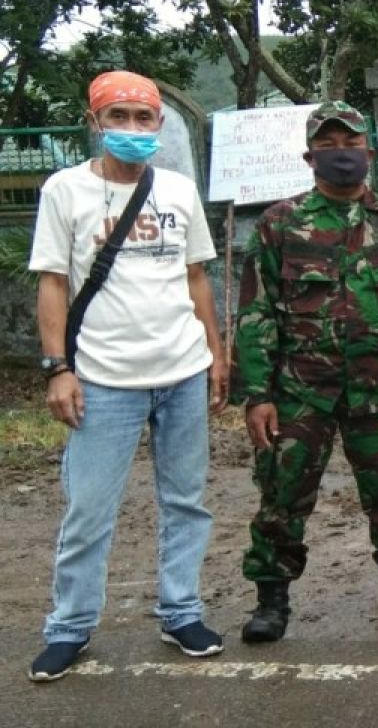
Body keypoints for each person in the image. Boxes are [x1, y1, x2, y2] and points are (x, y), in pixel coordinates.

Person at [27, 71, 228, 681]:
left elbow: (196, 278)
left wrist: (217, 355)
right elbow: (53, 284)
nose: (133, 130)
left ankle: (181, 611)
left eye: (144, 120)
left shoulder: (178, 190)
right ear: (95, 123)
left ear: (159, 126)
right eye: (119, 117)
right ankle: (70, 626)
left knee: (186, 502)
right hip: (104, 379)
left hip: (183, 371)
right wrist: (59, 367)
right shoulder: (64, 191)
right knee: (89, 509)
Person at [231, 101, 378, 644]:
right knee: (282, 495)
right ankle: (271, 602)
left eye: (350, 144)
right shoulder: (280, 224)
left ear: (369, 153)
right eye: (328, 146)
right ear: (310, 158)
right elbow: (255, 312)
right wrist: (256, 393)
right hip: (298, 391)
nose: (341, 155)